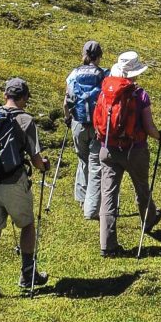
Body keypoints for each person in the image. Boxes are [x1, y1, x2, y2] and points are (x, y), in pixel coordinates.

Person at [0, 77, 52, 299]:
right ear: (24, 97)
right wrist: (44, 165)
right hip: (13, 182)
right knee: (27, 224)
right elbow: (36, 159)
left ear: (5, 95)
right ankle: (28, 274)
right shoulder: (25, 120)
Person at [89, 50, 159, 257]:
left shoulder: (105, 91)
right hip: (134, 150)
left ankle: (107, 245)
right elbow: (148, 127)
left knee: (108, 195)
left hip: (108, 148)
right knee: (141, 188)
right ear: (134, 73)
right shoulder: (140, 95)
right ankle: (148, 220)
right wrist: (159, 135)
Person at [64, 40, 105, 220]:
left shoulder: (73, 74)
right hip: (97, 125)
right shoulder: (103, 74)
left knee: (83, 161)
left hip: (78, 123)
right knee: (96, 164)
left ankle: (82, 200)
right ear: (100, 56)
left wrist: (67, 118)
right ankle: (93, 206)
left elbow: (67, 101)